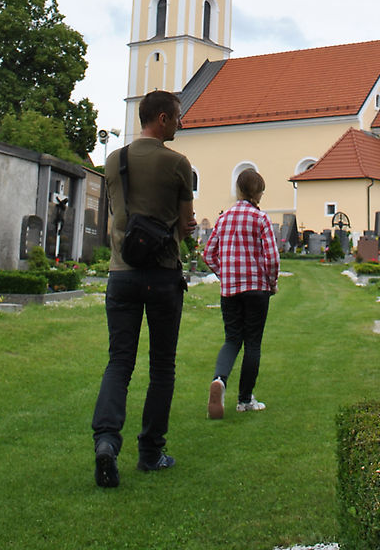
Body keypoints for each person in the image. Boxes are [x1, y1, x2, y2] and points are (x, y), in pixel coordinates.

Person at [92, 90, 197, 487]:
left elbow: (117, 214)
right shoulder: (177, 163)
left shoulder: (114, 160)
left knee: (119, 362)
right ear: (163, 119)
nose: (181, 123)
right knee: (162, 366)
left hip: (121, 273)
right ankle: (151, 452)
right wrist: (184, 230)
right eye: (178, 117)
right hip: (163, 274)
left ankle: (106, 441)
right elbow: (185, 225)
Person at [203, 168, 280, 419]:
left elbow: (208, 254)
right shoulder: (261, 219)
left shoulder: (224, 218)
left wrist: (224, 274)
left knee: (232, 340)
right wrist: (271, 282)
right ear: (258, 193)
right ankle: (245, 399)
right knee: (253, 343)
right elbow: (272, 258)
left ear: (238, 189)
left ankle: (219, 379)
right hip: (257, 288)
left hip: (231, 290)